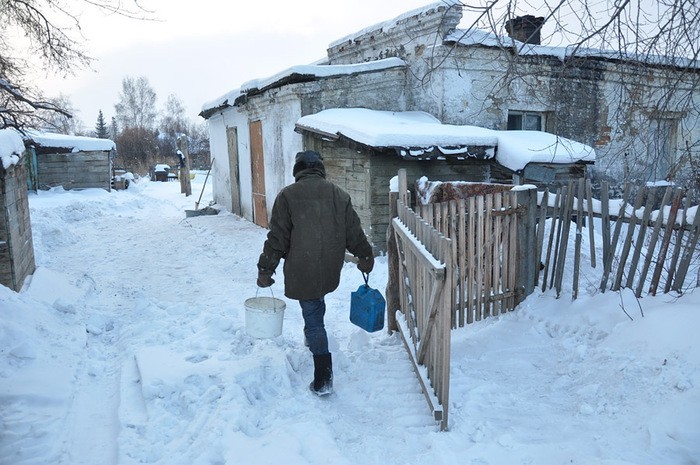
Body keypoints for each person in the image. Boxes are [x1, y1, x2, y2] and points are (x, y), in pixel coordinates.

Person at [256, 150, 374, 396]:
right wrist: (365, 255)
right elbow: (354, 231)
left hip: (302, 266)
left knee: (313, 317)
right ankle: (311, 338)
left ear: (298, 169)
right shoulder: (339, 195)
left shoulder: (288, 195)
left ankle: (323, 377)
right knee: (315, 303)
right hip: (329, 265)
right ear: (320, 168)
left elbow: (277, 238)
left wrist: (266, 268)